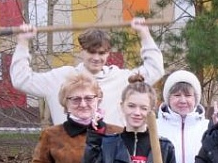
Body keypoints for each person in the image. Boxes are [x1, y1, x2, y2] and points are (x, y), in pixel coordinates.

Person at [10, 18, 164, 126]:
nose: (96, 58)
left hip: (111, 159)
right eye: (91, 52)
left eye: (102, 53)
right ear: (81, 51)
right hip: (72, 158)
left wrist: (144, 33)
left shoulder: (123, 79)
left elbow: (155, 69)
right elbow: (21, 79)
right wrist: (23, 42)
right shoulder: (61, 78)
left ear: (108, 53)